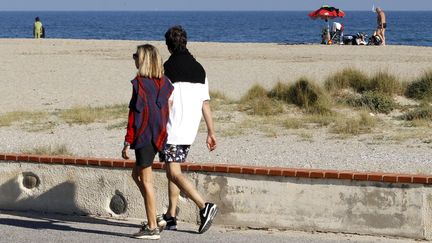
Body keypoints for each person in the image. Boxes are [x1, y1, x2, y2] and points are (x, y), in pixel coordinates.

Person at [157, 25, 218, 234]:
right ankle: (171, 216)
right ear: (185, 42)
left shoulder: (166, 68)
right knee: (172, 171)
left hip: (172, 129)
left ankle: (204, 206)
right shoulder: (200, 69)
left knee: (173, 172)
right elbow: (205, 104)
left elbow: (167, 103)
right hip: (190, 130)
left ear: (168, 46)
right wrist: (211, 132)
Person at [122, 44, 174, 240]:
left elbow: (134, 115)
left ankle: (152, 227)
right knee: (137, 174)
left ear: (143, 60)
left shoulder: (140, 84)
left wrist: (127, 141)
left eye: (136, 55)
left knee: (146, 180)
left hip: (145, 136)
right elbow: (167, 108)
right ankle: (156, 217)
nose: (133, 58)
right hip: (159, 135)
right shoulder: (165, 82)